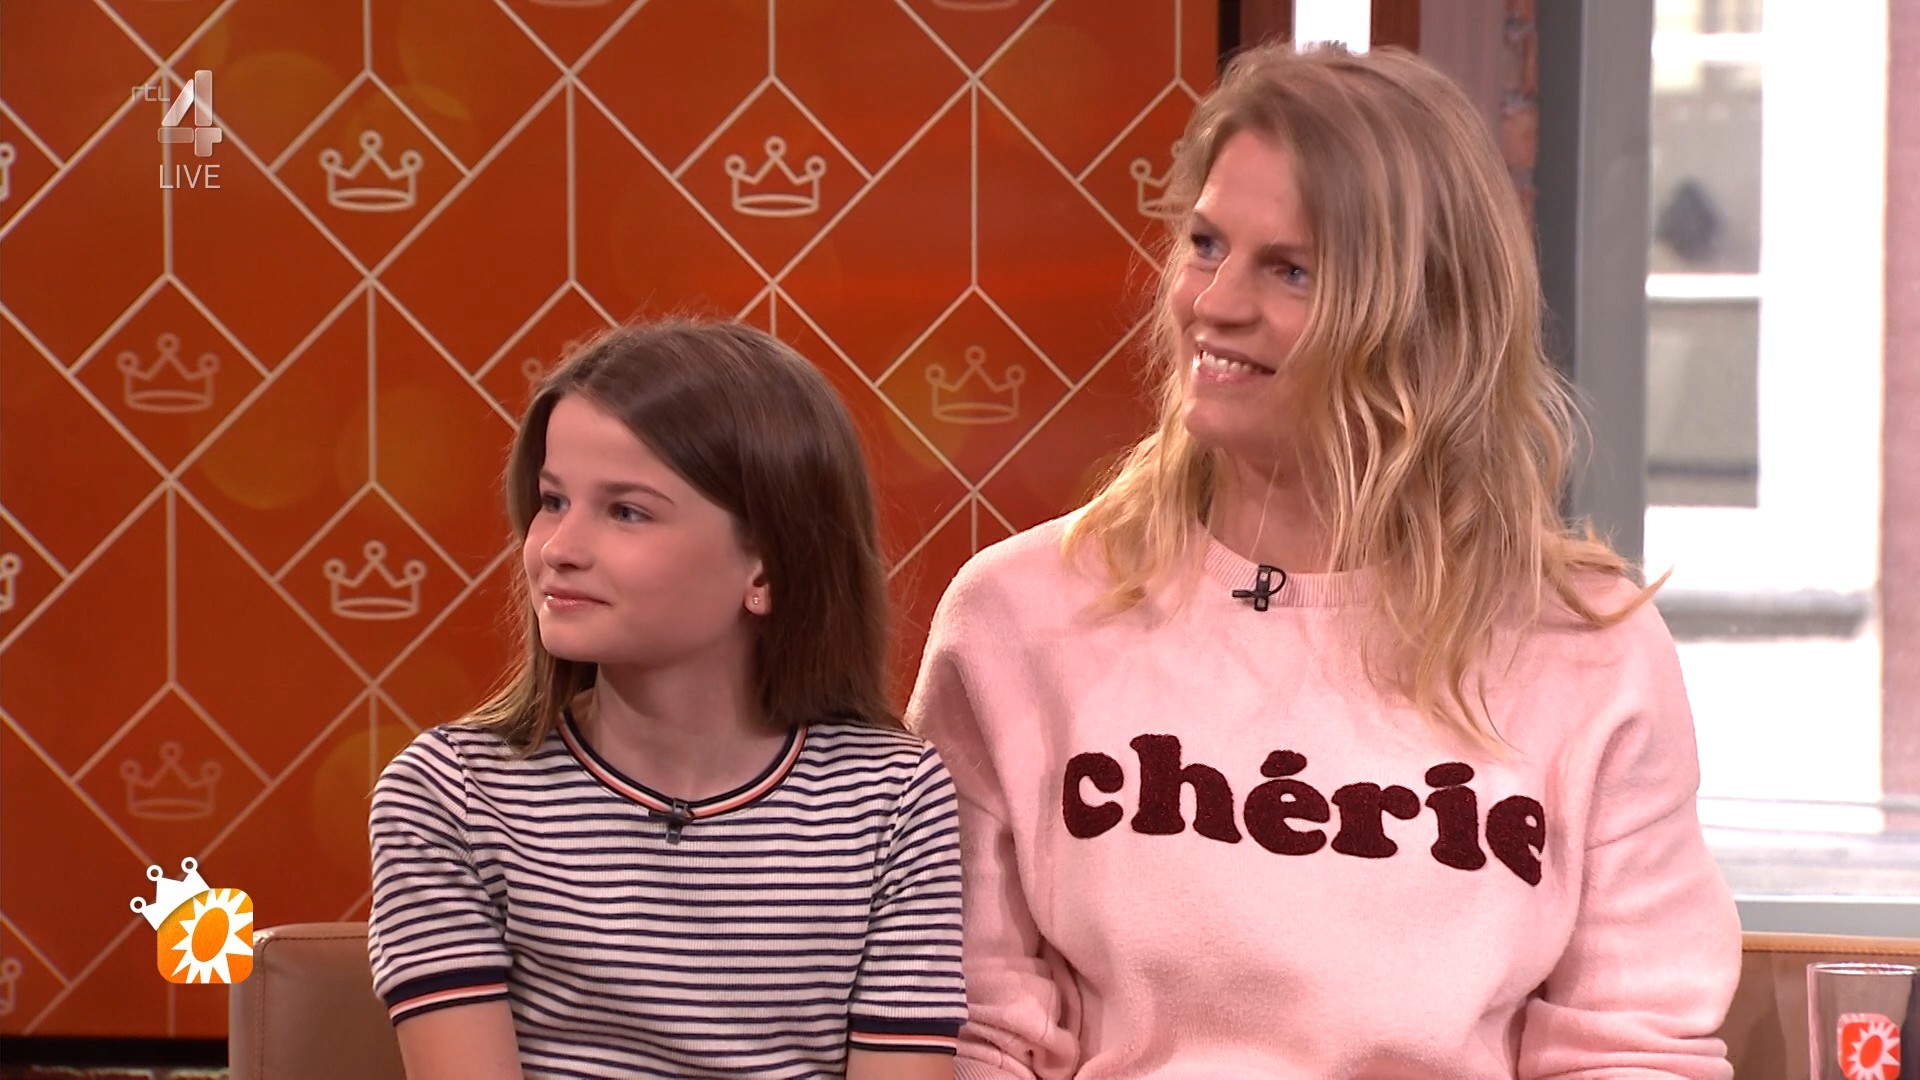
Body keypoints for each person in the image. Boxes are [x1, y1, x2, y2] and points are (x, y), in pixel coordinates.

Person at [907, 42, 1741, 1079]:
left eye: (1289, 269)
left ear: (1425, 319)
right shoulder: (1017, 618)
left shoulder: (1588, 650)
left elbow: (1633, 1048)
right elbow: (969, 1031)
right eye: (1206, 244)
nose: (1214, 303)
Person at [367, 320, 965, 1080]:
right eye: (552, 500)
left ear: (765, 569)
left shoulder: (892, 799)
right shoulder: (450, 794)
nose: (558, 549)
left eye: (626, 511)